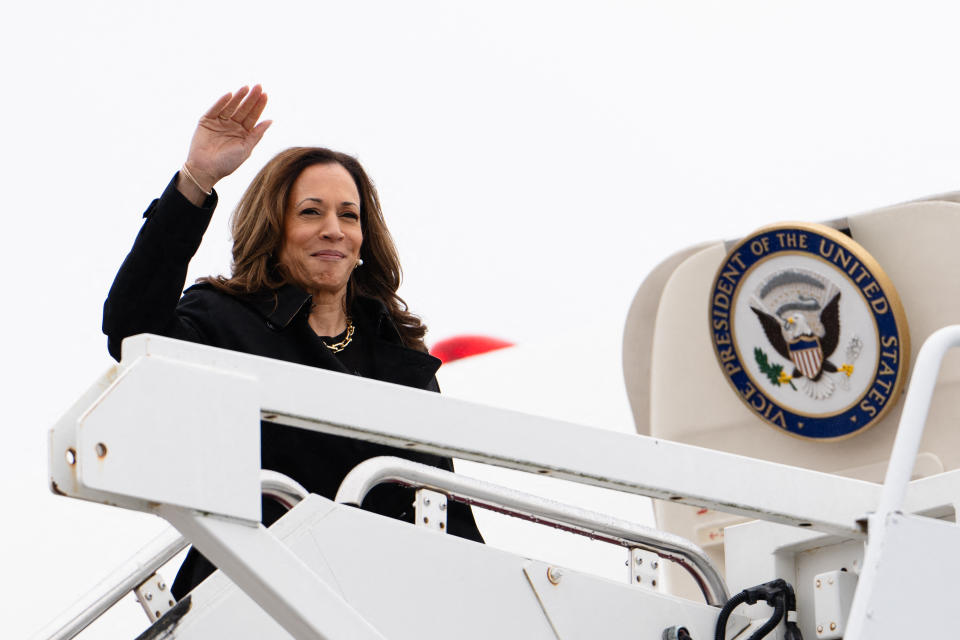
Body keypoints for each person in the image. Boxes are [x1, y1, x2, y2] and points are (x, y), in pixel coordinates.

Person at [103, 85, 484, 598]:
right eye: (310, 212)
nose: (334, 230)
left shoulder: (399, 354)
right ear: (274, 227)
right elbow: (131, 328)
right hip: (251, 595)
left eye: (348, 215)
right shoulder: (223, 319)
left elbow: (447, 508)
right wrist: (196, 180)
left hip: (377, 600)